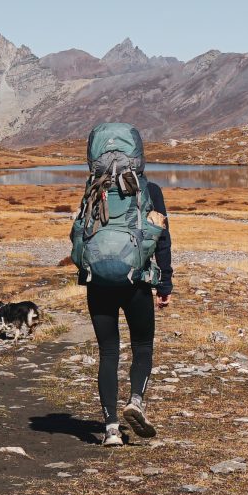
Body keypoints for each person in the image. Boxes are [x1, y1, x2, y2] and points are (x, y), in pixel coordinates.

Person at [69, 125, 173, 446]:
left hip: (98, 282)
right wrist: (164, 283)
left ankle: (111, 428)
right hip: (136, 282)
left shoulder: (93, 188)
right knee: (142, 346)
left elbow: (80, 233)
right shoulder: (149, 190)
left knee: (108, 352)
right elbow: (162, 239)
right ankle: (136, 401)